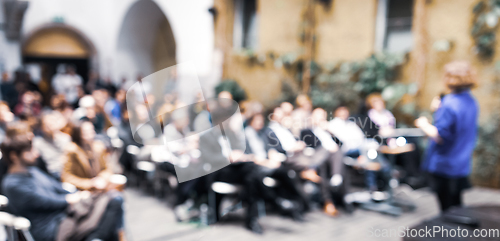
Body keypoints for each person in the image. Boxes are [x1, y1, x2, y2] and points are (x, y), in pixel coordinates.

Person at [1, 122, 125, 241]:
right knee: (112, 203)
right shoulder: (12, 184)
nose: (36, 153)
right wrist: (69, 199)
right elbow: (43, 202)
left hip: (65, 214)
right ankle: (95, 237)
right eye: (29, 151)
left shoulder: (33, 171)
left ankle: (96, 237)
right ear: (14, 156)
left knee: (112, 199)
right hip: (52, 227)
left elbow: (57, 186)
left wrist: (76, 195)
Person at [415, 61, 478, 212]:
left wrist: (423, 124)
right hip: (462, 160)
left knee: (446, 208)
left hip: (444, 163)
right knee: (456, 204)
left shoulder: (449, 103)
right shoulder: (471, 101)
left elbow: (440, 136)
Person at [61, 121, 113, 191]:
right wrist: (90, 183)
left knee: (117, 196)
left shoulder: (98, 146)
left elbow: (107, 168)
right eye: (86, 132)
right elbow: (66, 177)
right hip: (81, 190)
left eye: (92, 130)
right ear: (78, 134)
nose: (91, 134)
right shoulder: (72, 150)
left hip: (100, 186)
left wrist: (101, 178)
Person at [33, 111, 72, 178]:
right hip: (50, 174)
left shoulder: (66, 138)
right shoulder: (38, 142)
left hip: (67, 172)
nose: (49, 124)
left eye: (52, 121)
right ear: (42, 127)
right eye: (46, 123)